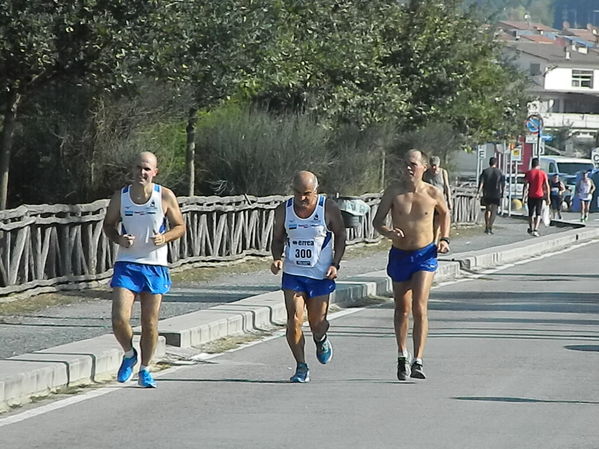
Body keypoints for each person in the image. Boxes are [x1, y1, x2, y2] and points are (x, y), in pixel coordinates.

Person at [103, 152, 185, 388]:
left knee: (150, 323)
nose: (142, 172)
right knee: (119, 319)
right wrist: (119, 239)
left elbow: (180, 227)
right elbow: (108, 225)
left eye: (147, 169)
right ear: (133, 169)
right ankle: (129, 354)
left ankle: (146, 369)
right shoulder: (122, 197)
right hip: (127, 264)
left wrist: (165, 237)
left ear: (155, 172)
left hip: (155, 265)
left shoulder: (164, 196)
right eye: (139, 167)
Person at [373, 149, 450, 381]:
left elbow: (445, 214)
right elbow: (378, 221)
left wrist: (444, 239)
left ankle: (418, 359)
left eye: (413, 164)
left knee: (419, 305)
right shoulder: (394, 192)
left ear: (424, 167)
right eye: (405, 163)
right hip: (400, 254)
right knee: (402, 309)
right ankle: (401, 354)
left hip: (425, 254)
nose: (408, 168)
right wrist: (389, 232)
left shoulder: (433, 193)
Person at [270, 171, 346, 383]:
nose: (302, 199)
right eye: (298, 193)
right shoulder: (283, 210)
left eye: (307, 194)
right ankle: (301, 366)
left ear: (316, 191)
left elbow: (340, 235)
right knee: (294, 321)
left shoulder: (327, 208)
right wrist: (277, 258)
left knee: (317, 323)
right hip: (294, 273)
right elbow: (277, 239)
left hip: (320, 275)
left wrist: (335, 263)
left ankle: (321, 338)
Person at [423, 156, 452, 242]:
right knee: (428, 221)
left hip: (440, 200)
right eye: (432, 166)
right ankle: (428, 239)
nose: (434, 168)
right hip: (428, 200)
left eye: (435, 165)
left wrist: (449, 200)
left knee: (437, 221)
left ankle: (434, 241)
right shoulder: (426, 173)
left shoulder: (443, 172)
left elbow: (446, 186)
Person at [522, 157, 549, 237]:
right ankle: (535, 229)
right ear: (538, 164)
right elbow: (546, 185)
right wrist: (548, 197)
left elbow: (526, 185)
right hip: (540, 195)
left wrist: (523, 196)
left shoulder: (529, 173)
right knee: (538, 213)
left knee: (530, 213)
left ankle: (530, 227)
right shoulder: (543, 173)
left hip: (531, 195)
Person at [478, 156, 504, 235]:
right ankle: (490, 226)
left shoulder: (485, 171)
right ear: (495, 163)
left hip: (487, 193)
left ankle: (486, 226)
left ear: (489, 163)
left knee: (487, 210)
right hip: (496, 194)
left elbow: (481, 183)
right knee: (494, 211)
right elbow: (502, 184)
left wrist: (478, 192)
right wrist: (502, 193)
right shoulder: (499, 172)